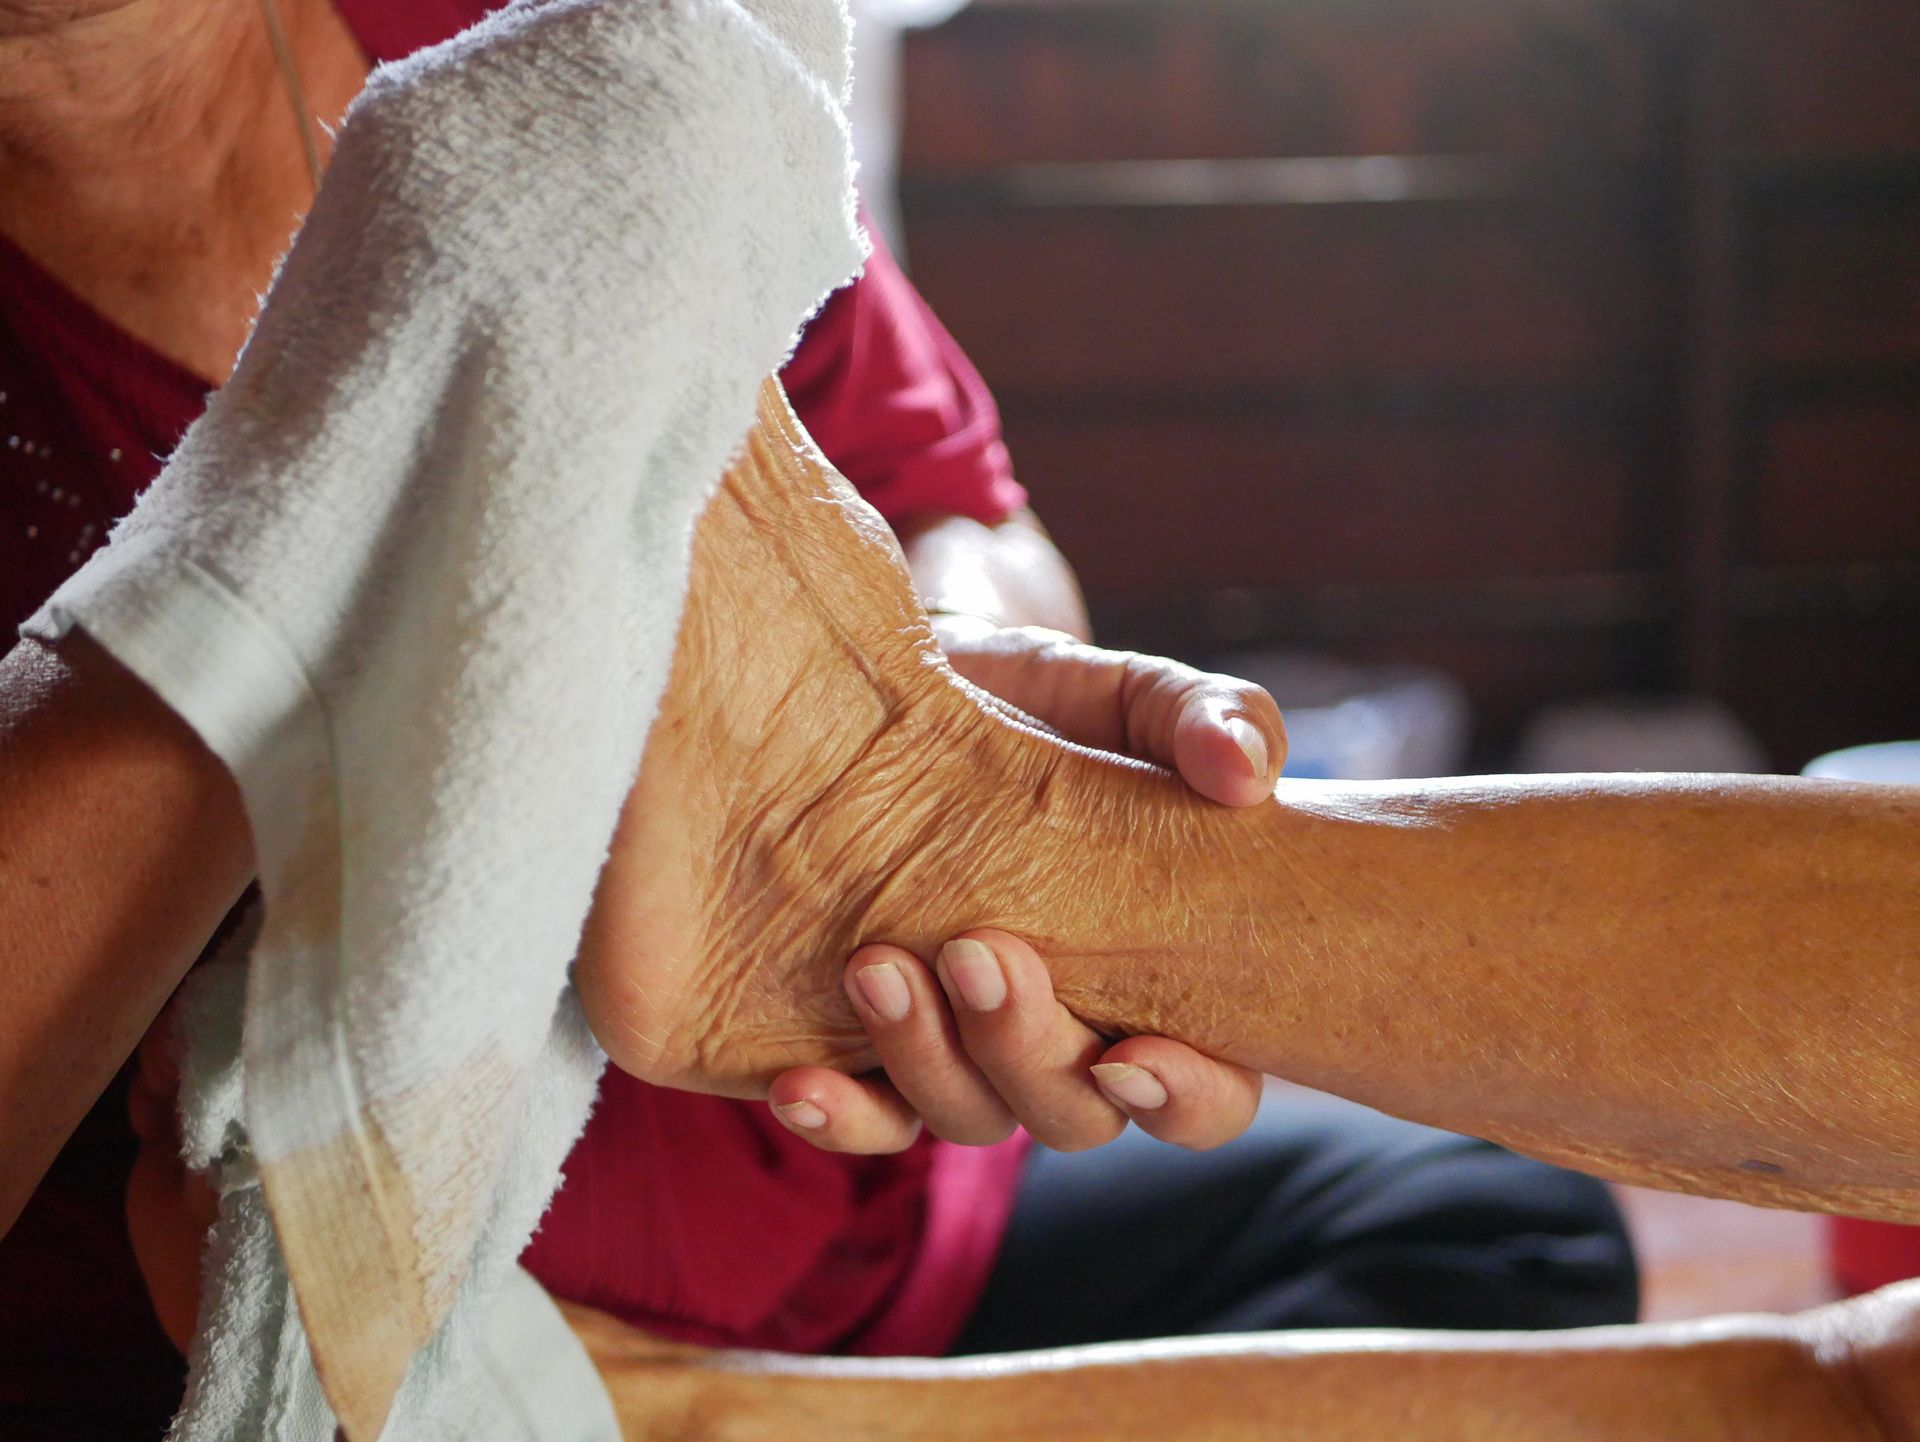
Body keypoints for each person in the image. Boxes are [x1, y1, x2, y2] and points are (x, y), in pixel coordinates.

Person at [0, 1, 1632, 1437]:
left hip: (886, 1248)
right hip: (289, 1352)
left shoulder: (543, 54)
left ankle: (698, 1419)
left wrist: (916, 721)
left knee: (1497, 1236)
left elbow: (958, 507)